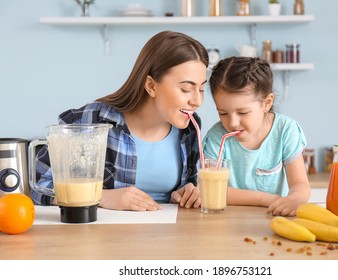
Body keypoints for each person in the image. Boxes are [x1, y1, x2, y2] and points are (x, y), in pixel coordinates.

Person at [32, 31, 209, 211]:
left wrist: (186, 192)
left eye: (201, 89)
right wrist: (100, 197)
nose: (198, 101)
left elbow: (189, 185)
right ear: (151, 85)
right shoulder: (93, 120)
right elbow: (36, 186)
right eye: (186, 89)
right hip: (103, 236)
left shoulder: (190, 128)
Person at [203, 56, 310, 216]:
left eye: (243, 112)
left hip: (273, 218)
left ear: (266, 103)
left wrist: (295, 199)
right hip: (228, 221)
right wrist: (266, 199)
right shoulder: (216, 137)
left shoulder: (286, 131)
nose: (232, 123)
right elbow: (212, 190)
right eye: (223, 113)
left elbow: (300, 184)